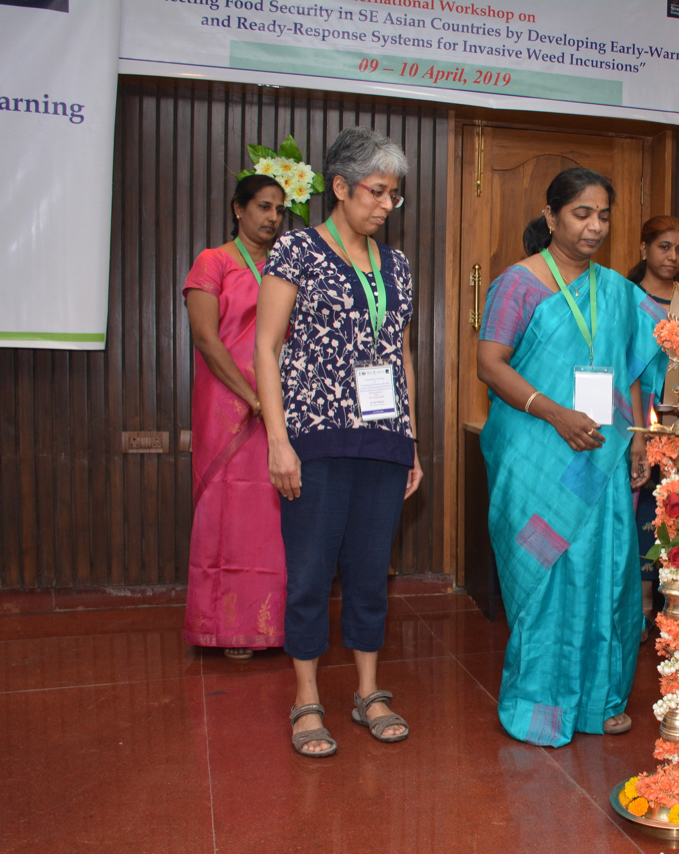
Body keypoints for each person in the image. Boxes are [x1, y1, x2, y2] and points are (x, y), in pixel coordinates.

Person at [476, 167, 668, 747]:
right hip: (537, 453)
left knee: (608, 573)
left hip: (601, 459)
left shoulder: (618, 291)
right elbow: (491, 363)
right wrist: (555, 413)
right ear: (552, 215)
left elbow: (635, 365)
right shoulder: (519, 283)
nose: (594, 226)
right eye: (582, 214)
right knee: (548, 573)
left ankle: (600, 700)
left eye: (603, 216)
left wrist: (639, 438)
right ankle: (540, 703)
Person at [255, 126, 423, 758]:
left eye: (394, 196)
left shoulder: (398, 265)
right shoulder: (297, 250)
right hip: (315, 438)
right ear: (340, 186)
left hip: (381, 441)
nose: (385, 206)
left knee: (369, 575)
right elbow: (265, 347)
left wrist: (411, 440)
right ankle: (305, 698)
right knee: (310, 573)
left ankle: (369, 692)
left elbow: (401, 353)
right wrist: (279, 441)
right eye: (376, 192)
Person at [182, 174, 288, 661]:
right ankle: (225, 628)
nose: (272, 218)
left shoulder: (284, 268)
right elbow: (206, 339)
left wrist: (275, 400)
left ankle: (271, 624)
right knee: (224, 514)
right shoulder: (213, 262)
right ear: (237, 209)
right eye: (263, 207)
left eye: (279, 210)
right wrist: (253, 397)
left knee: (270, 513)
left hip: (278, 405)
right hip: (227, 409)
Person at [625, 215, 679, 640]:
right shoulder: (622, 297)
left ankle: (677, 604)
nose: (672, 257)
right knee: (641, 512)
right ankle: (641, 606)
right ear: (644, 249)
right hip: (631, 425)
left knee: (678, 513)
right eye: (663, 247)